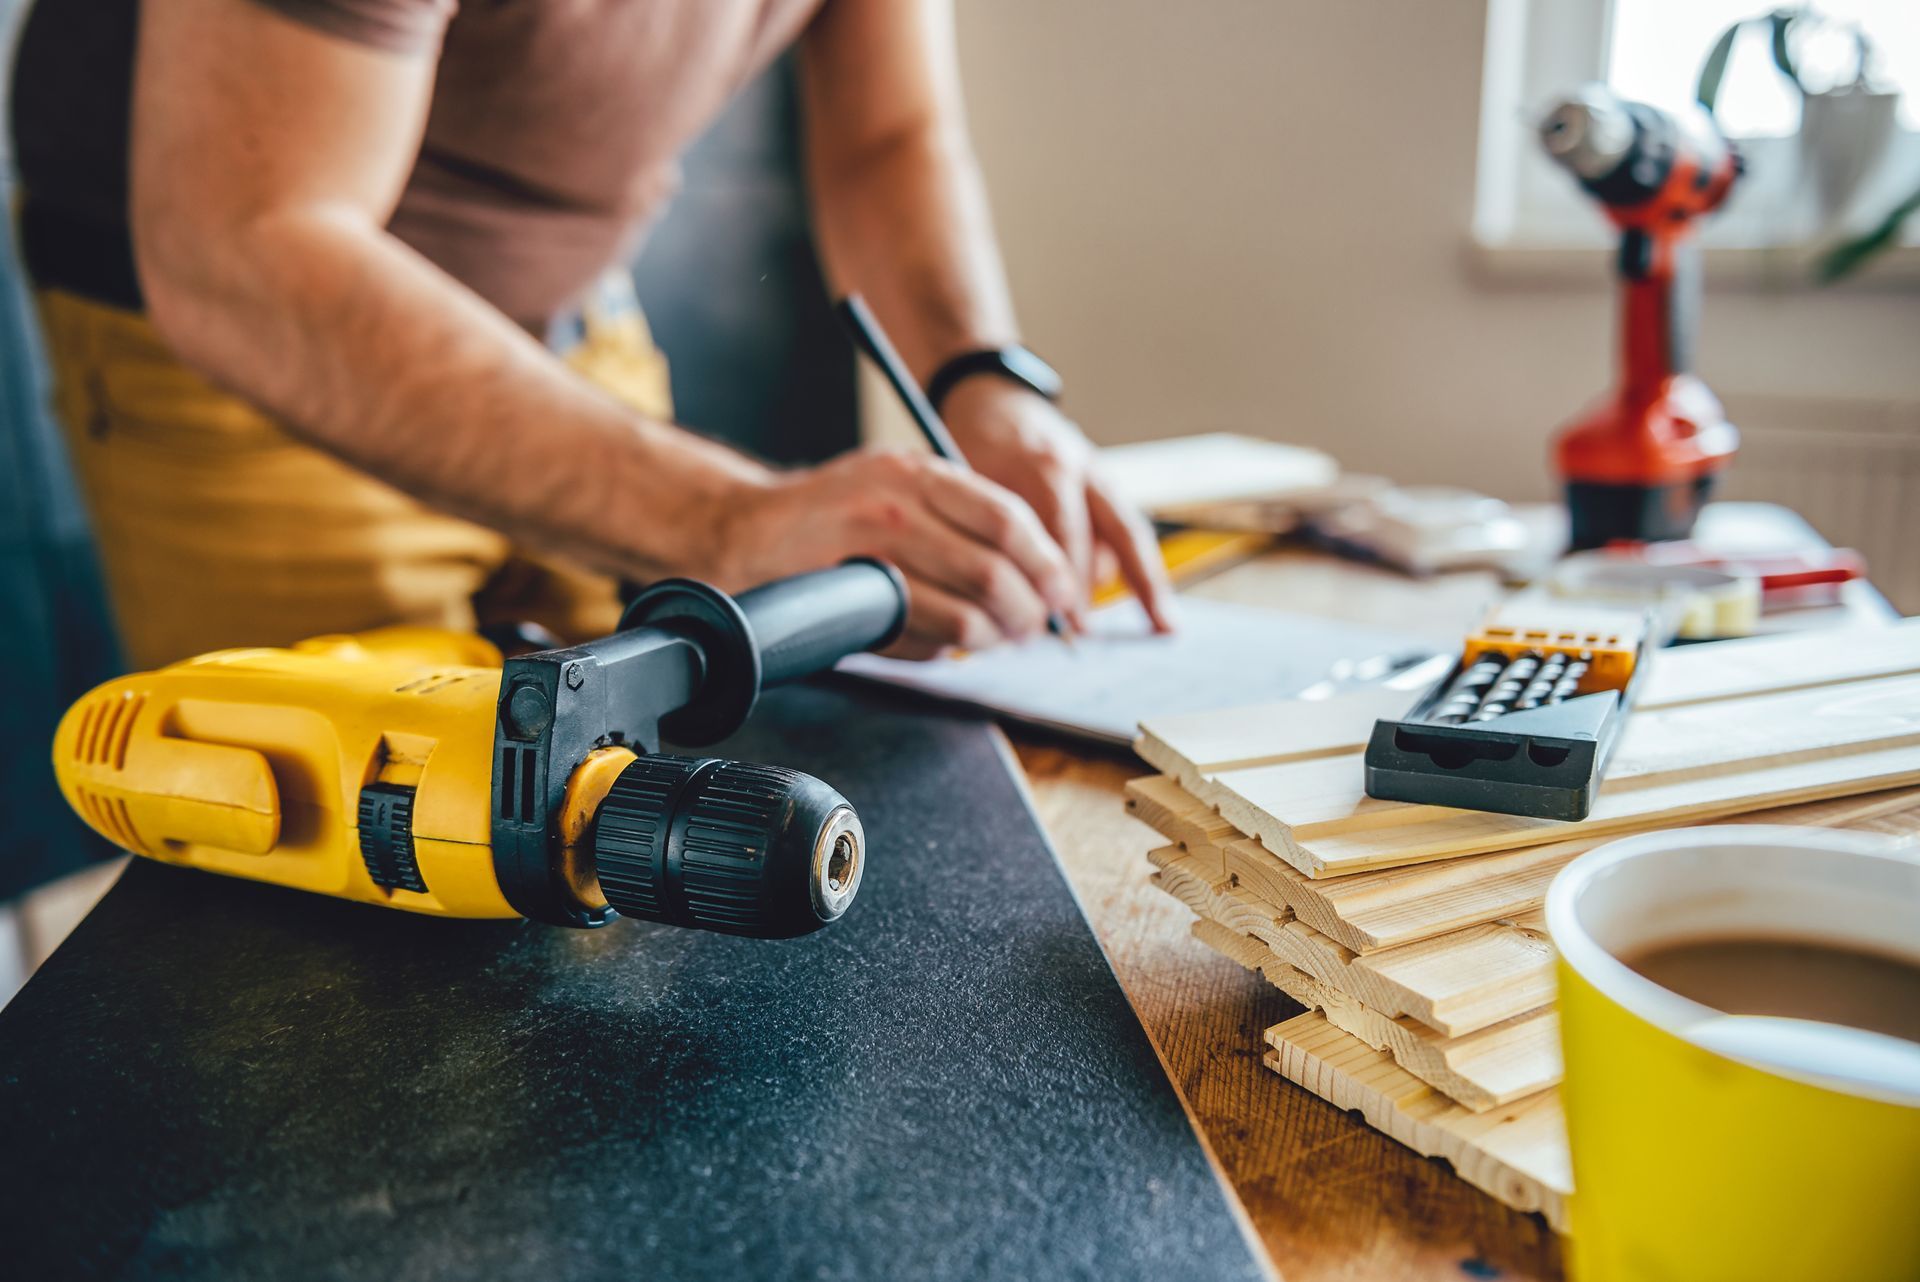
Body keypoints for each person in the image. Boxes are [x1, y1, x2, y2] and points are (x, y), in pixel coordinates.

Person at [9, 0, 1172, 670]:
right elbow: (247, 252)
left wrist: (984, 382)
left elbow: (891, 134)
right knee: (362, 931)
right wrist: (726, 520)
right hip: (261, 346)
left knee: (621, 825)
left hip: (573, 307)